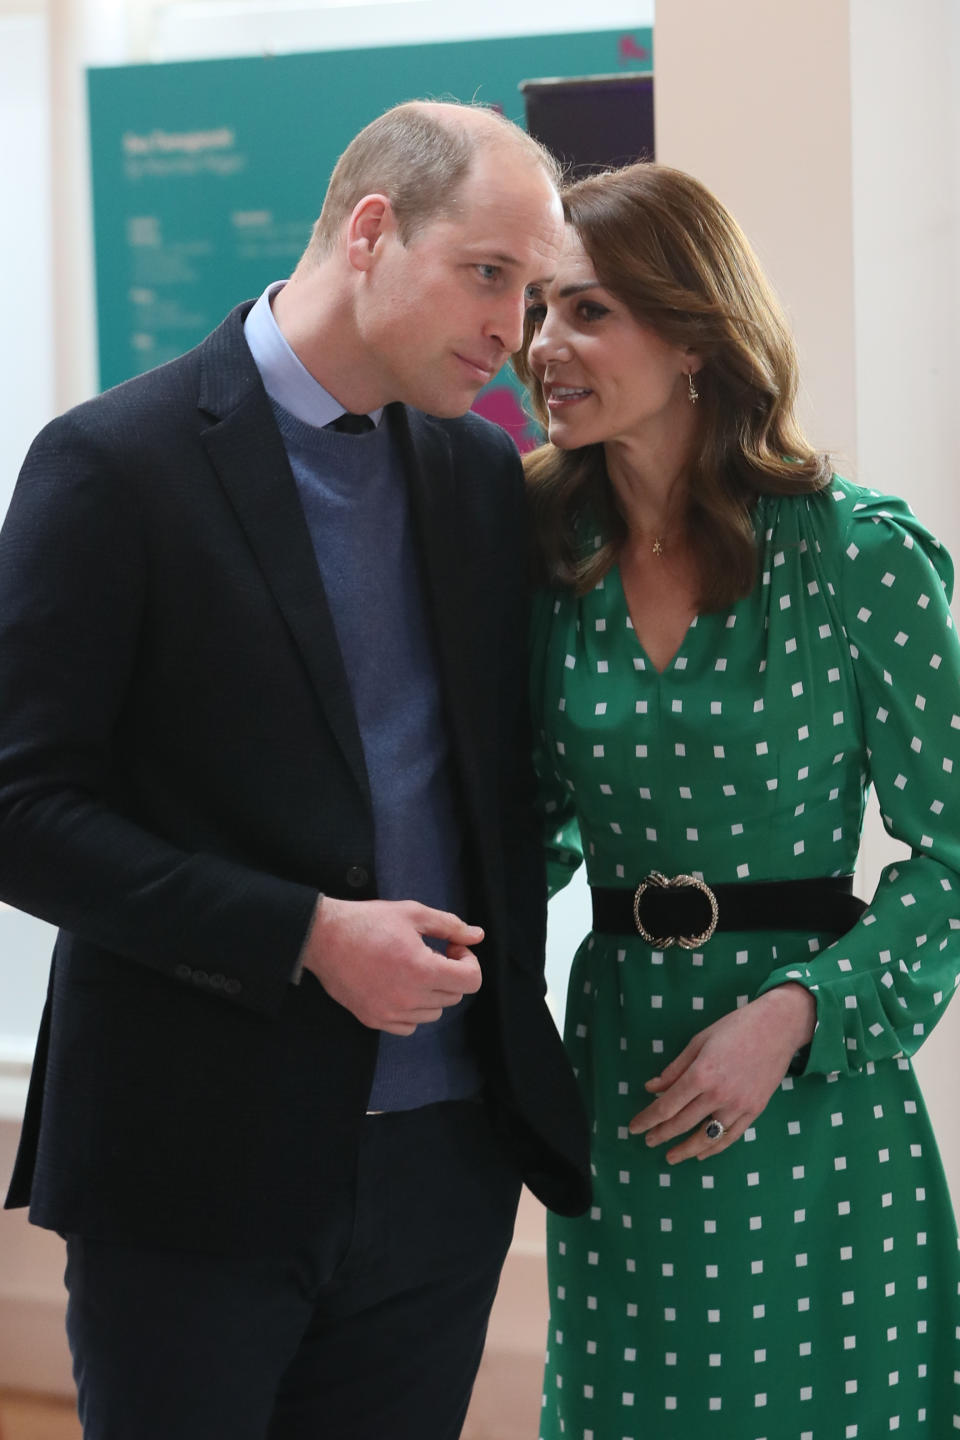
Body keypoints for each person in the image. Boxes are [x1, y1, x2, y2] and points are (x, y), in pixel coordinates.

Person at [0, 100, 590, 1440]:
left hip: (445, 1162)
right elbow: (20, 812)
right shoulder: (111, 464)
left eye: (538, 293)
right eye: (490, 275)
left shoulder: (477, 473)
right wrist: (306, 935)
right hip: (194, 1164)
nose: (517, 333)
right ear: (373, 230)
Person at [516, 161, 960, 1438]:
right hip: (620, 1072)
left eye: (587, 310)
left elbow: (952, 854)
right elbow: (526, 828)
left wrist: (798, 1015)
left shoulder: (857, 556)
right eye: (539, 308)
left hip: (815, 1088)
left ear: (697, 337)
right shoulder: (545, 555)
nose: (544, 344)